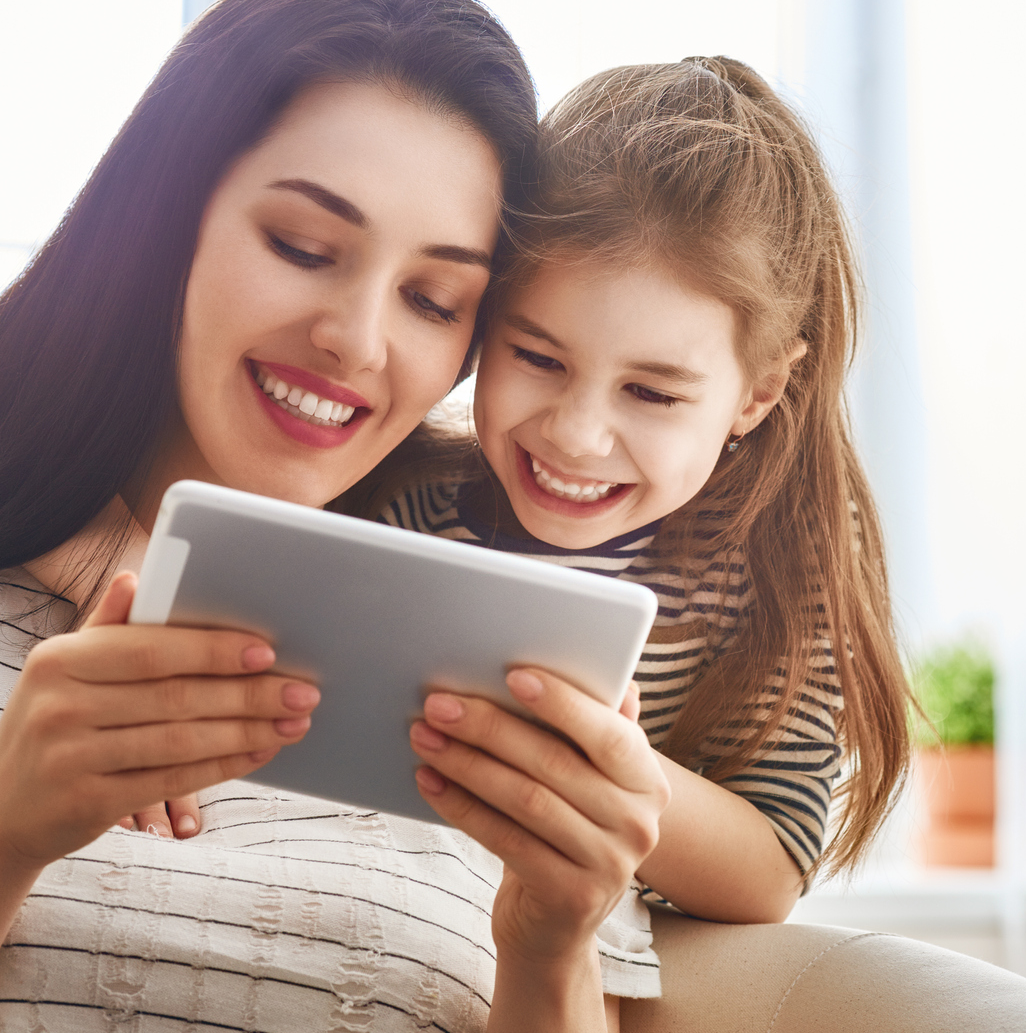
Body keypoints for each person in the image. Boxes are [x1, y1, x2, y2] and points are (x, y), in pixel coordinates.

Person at [0, 0, 665, 1033]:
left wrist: (548, 950)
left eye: (434, 302)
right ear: (166, 220)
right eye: (302, 243)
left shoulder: (521, 711)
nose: (354, 339)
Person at [365, 56, 914, 921]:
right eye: (536, 358)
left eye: (652, 393)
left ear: (758, 394)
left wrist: (596, 768)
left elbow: (770, 872)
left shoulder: (776, 564)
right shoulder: (403, 501)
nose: (576, 435)